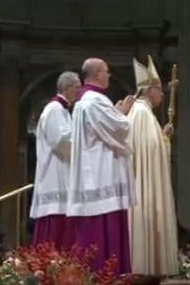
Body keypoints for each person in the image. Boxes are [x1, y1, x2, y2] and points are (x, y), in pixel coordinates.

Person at [67, 57, 136, 274]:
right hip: (101, 174)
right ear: (96, 74)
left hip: (93, 173)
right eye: (106, 71)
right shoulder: (95, 100)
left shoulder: (84, 101)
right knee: (104, 228)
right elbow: (119, 128)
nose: (109, 75)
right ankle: (108, 274)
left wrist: (115, 112)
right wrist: (125, 113)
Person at [126, 55, 179, 276]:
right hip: (143, 186)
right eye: (159, 89)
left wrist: (163, 136)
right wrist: (163, 141)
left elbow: (150, 145)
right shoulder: (142, 113)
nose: (163, 93)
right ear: (148, 90)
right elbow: (150, 151)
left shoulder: (141, 112)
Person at [30, 71, 81, 250]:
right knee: (54, 233)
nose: (79, 92)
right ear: (67, 88)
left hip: (63, 174)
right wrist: (86, 143)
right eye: (77, 88)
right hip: (54, 177)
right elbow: (61, 140)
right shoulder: (54, 110)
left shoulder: (63, 111)